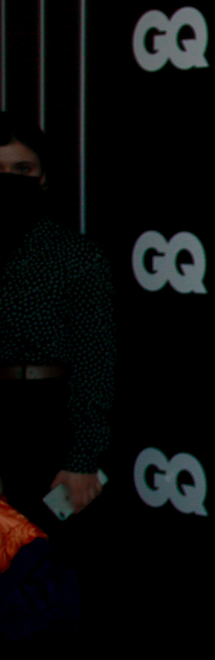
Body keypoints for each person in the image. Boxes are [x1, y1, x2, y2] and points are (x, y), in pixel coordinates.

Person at [0, 119, 114, 532]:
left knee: (41, 552)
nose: (8, 180)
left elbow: (95, 359)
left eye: (22, 169)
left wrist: (82, 458)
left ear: (43, 176)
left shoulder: (75, 255)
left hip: (46, 418)